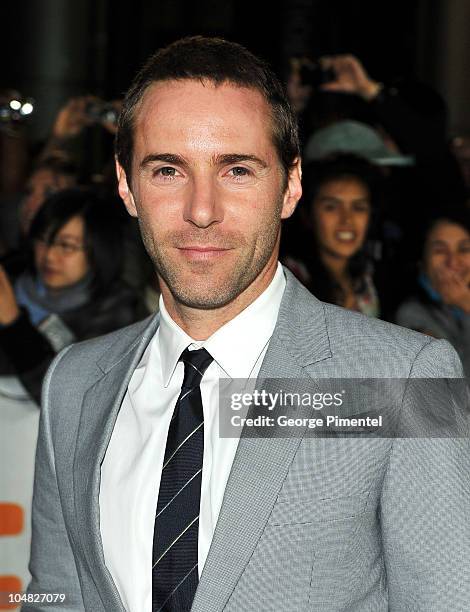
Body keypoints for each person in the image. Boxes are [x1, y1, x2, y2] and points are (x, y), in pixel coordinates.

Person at [24, 36, 470, 612]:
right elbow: (54, 597)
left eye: (236, 169)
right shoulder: (75, 383)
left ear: (290, 185)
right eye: (167, 170)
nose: (201, 209)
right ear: (125, 185)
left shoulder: (406, 380)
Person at [0, 188, 147, 404]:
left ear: (98, 249)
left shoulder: (117, 312)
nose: (49, 255)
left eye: (66, 245)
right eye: (43, 240)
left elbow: (70, 400)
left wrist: (14, 323)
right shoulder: (13, 275)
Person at [283, 154, 380, 316]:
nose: (347, 220)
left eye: (358, 208)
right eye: (331, 207)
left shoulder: (365, 278)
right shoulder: (289, 280)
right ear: (308, 215)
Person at [396, 209, 470, 376]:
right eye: (440, 251)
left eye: (464, 249)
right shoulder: (411, 316)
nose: (453, 261)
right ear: (421, 261)